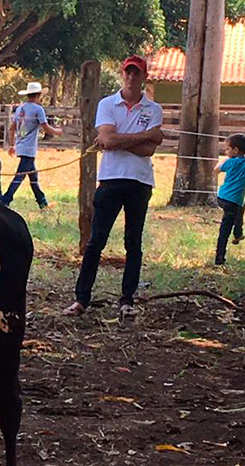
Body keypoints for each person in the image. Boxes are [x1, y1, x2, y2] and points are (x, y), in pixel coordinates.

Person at [63, 55, 165, 318]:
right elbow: (109, 140)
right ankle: (81, 298)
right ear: (123, 74)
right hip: (110, 179)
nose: (132, 77)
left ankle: (127, 299)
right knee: (96, 241)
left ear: (143, 77)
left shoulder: (153, 109)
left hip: (140, 182)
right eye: (128, 72)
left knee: (133, 241)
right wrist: (142, 136)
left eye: (137, 73)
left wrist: (120, 140)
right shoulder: (108, 104)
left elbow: (149, 150)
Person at [0, 82, 62, 208]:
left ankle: (42, 202)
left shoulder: (20, 109)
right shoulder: (38, 109)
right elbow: (45, 127)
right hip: (29, 148)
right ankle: (5, 200)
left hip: (21, 145)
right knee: (20, 176)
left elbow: (12, 128)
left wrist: (12, 144)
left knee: (33, 176)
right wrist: (57, 132)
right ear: (39, 95)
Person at [213, 133, 245, 265]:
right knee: (226, 227)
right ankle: (219, 257)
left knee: (239, 210)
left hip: (223, 196)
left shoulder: (230, 163)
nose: (226, 151)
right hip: (234, 200)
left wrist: (223, 161)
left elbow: (215, 170)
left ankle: (238, 234)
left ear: (235, 150)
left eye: (227, 149)